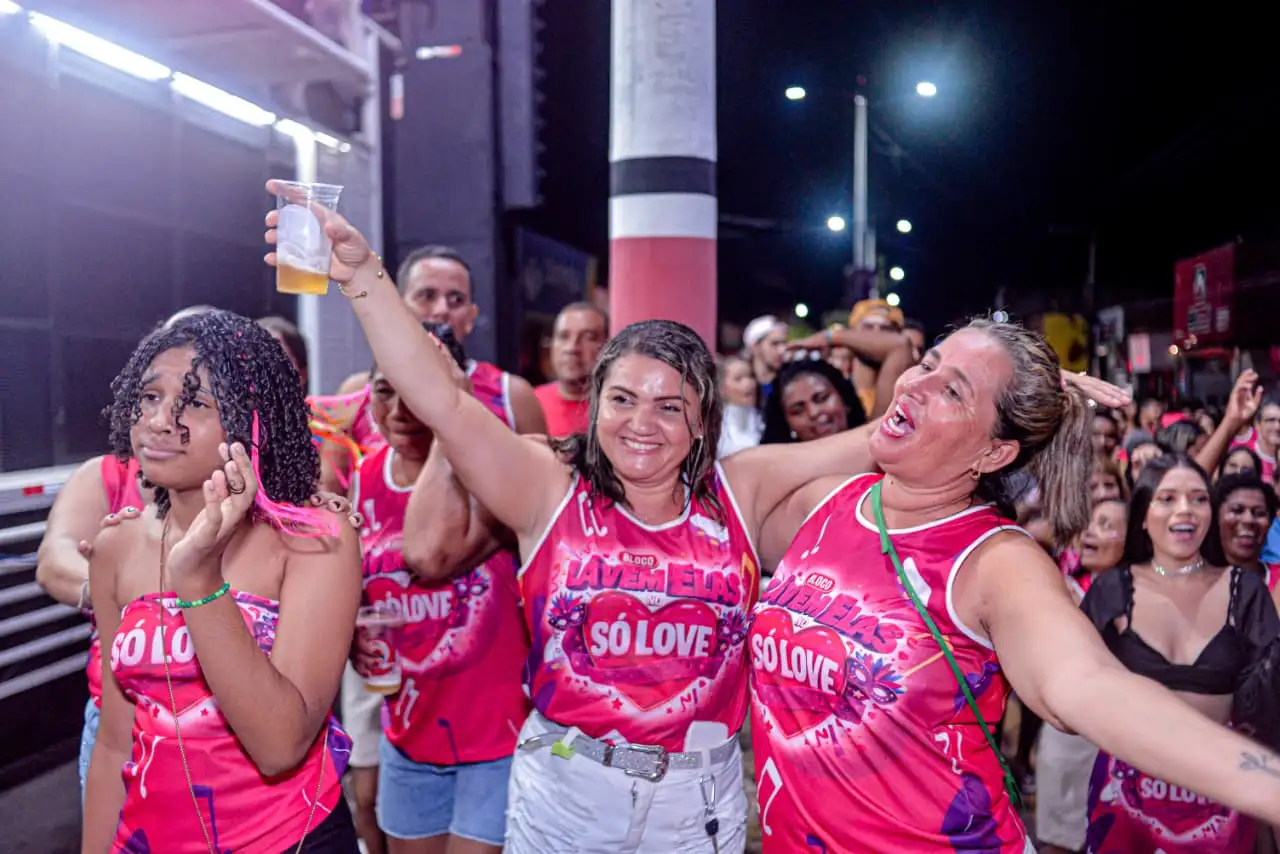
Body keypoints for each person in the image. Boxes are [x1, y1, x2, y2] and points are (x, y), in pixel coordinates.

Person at [744, 321, 1280, 851]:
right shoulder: (830, 505)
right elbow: (736, 488)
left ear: (996, 454)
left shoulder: (996, 559)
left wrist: (1268, 786)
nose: (915, 382)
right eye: (927, 364)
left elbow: (1087, 685)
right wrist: (916, 411)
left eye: (952, 390)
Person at [83, 310, 361, 853]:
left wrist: (198, 577)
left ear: (249, 422)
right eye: (149, 397)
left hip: (285, 839)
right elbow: (116, 746)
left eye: (196, 403)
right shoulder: (115, 547)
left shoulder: (315, 539)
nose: (161, 420)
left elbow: (280, 744)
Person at [351, 334, 529, 854]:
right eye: (386, 390)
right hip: (409, 731)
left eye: (418, 391)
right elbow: (353, 592)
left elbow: (435, 554)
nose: (402, 410)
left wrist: (453, 419)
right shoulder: (362, 476)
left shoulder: (494, 469)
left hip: (497, 734)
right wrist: (350, 642)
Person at [1082, 455, 1280, 853]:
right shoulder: (1111, 589)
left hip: (1220, 796)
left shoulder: (1245, 591)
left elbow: (1269, 710)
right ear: (1142, 515)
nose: (1185, 509)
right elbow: (1068, 684)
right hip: (1125, 796)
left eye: (1198, 498)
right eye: (1168, 498)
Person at [534, 302, 609, 437]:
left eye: (588, 337)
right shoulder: (529, 404)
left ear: (608, 346)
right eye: (563, 336)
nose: (572, 348)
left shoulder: (618, 409)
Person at [760, 358, 866, 445]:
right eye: (798, 411)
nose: (814, 412)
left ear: (844, 398)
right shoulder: (780, 467)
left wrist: (829, 337)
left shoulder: (874, 440)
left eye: (822, 398)